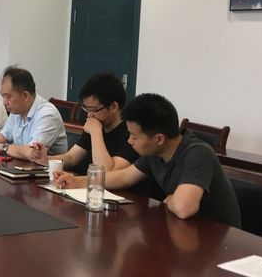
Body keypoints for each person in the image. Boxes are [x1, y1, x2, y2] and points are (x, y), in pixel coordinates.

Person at [55, 93, 241, 227]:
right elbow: (123, 177)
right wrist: (77, 181)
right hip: (184, 231)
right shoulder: (154, 152)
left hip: (219, 240)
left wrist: (171, 199)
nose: (130, 141)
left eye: (134, 136)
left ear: (159, 138)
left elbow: (184, 208)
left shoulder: (198, 153)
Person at [28, 72, 137, 173]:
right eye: (86, 109)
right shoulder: (96, 124)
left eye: (93, 109)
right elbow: (71, 158)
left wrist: (96, 132)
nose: (89, 115)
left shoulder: (132, 133)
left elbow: (107, 173)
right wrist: (45, 159)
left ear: (113, 106)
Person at [0, 66, 67, 159]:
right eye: (3, 96)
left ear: (25, 95)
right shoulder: (17, 110)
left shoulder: (47, 115)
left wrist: (3, 147)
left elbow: (32, 152)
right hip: (22, 166)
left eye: (8, 97)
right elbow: (4, 136)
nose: (4, 102)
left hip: (46, 169)